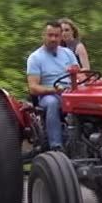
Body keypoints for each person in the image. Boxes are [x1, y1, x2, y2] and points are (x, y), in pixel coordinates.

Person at [26, 21, 80, 150]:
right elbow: (33, 88)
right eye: (50, 35)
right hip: (48, 95)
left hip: (70, 92)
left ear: (61, 37)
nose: (53, 39)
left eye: (56, 36)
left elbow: (78, 75)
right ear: (43, 36)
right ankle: (56, 146)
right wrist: (54, 90)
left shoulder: (68, 53)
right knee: (52, 103)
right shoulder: (35, 58)